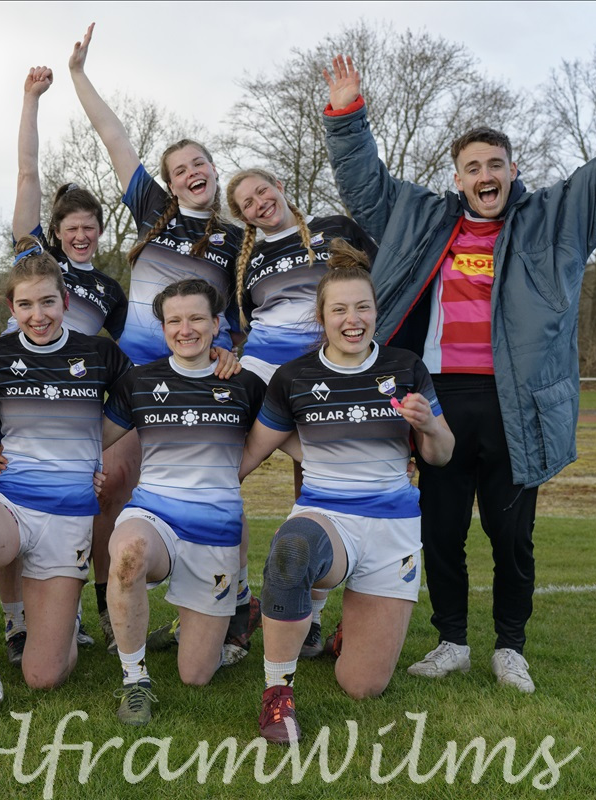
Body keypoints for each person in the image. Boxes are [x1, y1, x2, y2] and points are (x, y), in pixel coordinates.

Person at [320, 25, 596, 693]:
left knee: (511, 537)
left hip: (517, 404)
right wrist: (347, 115)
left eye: (495, 164)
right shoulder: (418, 218)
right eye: (472, 167)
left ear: (512, 170)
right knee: (441, 531)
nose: (485, 176)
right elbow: (363, 183)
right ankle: (452, 641)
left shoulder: (557, 219)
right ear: (457, 178)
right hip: (440, 402)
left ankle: (510, 648)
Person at [69, 23, 261, 662]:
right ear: (171, 183)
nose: (191, 173)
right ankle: (111, 606)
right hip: (139, 373)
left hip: (201, 377)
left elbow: (245, 313)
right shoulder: (154, 212)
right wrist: (78, 75)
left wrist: (232, 351)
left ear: (213, 170)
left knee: (213, 489)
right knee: (112, 485)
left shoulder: (238, 240)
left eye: (199, 163)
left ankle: (233, 601)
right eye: (180, 169)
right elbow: (113, 136)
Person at [239, 243, 453, 744]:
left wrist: (428, 427)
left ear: (376, 312)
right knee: (293, 548)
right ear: (321, 317)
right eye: (339, 309)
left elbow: (442, 454)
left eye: (362, 307)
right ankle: (277, 692)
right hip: (327, 518)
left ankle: (347, 634)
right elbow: (251, 452)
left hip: (392, 532)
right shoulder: (295, 377)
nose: (352, 319)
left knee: (362, 686)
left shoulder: (406, 367)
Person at [0, 238, 131, 727]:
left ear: (65, 301)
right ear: (12, 308)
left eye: (48, 302)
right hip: (10, 499)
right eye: (25, 304)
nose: (38, 315)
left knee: (44, 676)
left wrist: (92, 449)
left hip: (69, 514)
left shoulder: (100, 353)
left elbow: (142, 402)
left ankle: (60, 623)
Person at [226, 167, 378, 657]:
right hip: (261, 369)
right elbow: (240, 322)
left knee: (314, 494)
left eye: (262, 191)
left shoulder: (334, 227)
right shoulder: (247, 258)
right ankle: (234, 599)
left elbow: (373, 289)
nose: (259, 203)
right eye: (247, 203)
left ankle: (312, 617)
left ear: (279, 185)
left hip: (321, 372)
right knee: (224, 467)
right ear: (244, 217)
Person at [4, 63, 128, 658]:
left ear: (100, 231)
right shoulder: (35, 260)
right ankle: (15, 620)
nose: (81, 236)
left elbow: (118, 365)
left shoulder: (110, 290)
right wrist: (31, 99)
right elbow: (27, 170)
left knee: (77, 512)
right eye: (71, 227)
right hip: (18, 405)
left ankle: (75, 614)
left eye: (90, 228)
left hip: (72, 418)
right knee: (10, 504)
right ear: (54, 231)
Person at [100, 279, 266, 726]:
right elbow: (93, 440)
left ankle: (220, 612)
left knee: (196, 675)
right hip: (153, 514)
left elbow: (283, 435)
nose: (185, 329)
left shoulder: (245, 383)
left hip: (215, 529)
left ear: (216, 324)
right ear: (163, 328)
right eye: (174, 320)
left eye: (196, 318)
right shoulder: (139, 381)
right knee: (129, 554)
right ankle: (135, 681)